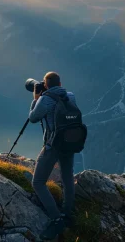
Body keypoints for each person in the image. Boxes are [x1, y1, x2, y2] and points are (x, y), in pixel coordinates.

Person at [28, 71, 77, 240]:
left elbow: (33, 118)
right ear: (61, 84)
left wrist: (36, 98)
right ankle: (67, 213)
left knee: (38, 182)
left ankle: (57, 219)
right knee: (67, 177)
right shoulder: (70, 96)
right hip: (70, 142)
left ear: (46, 85)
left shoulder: (45, 99)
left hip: (53, 145)